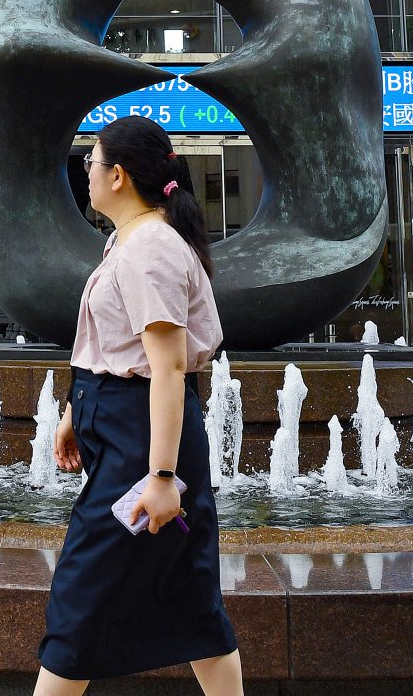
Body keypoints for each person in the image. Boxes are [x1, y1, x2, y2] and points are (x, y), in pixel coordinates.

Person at [36, 116, 241, 696]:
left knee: (80, 595)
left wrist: (162, 477)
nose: (86, 172)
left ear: (118, 175)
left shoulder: (150, 247)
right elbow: (121, 347)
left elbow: (169, 368)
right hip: (131, 435)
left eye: (91, 162)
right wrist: (77, 411)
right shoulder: (130, 240)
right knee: (190, 600)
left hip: (142, 446)